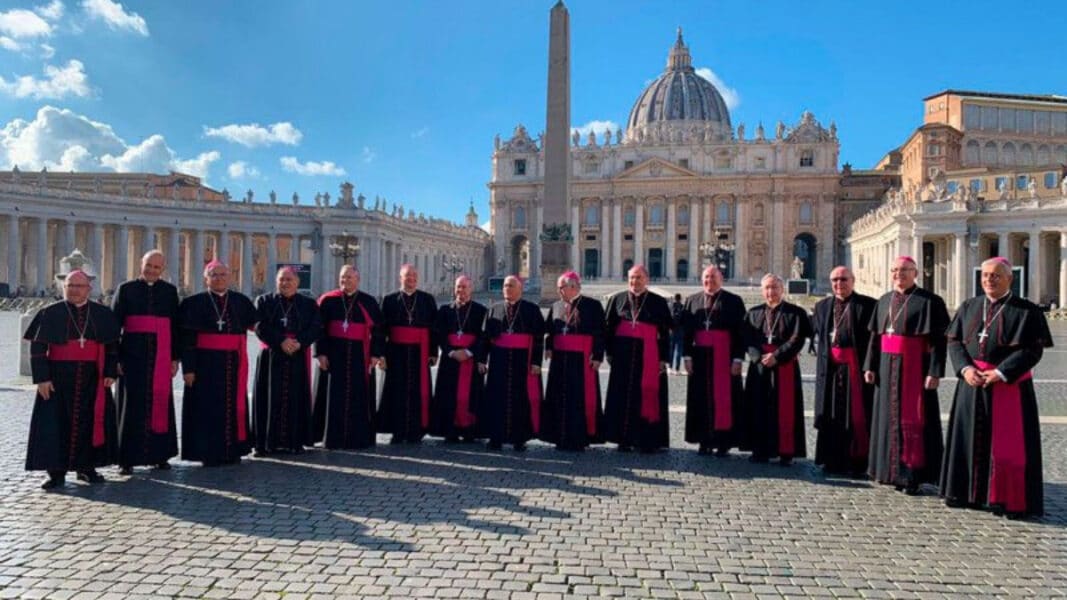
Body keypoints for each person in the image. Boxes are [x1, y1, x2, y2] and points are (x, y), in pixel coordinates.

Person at [941, 258, 1052, 518]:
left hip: (1009, 386)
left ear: (1009, 279)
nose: (989, 280)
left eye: (996, 275)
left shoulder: (1027, 311)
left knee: (1008, 445)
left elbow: (1033, 350)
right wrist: (965, 369)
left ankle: (1004, 498)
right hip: (971, 383)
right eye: (985, 275)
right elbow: (955, 342)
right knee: (968, 439)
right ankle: (967, 493)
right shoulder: (969, 306)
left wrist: (1001, 372)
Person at [23, 270, 119, 489]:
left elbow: (112, 347)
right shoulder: (50, 313)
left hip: (92, 378)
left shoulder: (102, 313)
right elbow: (38, 348)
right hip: (58, 379)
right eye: (70, 286)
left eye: (79, 286)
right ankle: (56, 473)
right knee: (55, 425)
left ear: (89, 289)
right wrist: (42, 379)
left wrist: (110, 372)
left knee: (90, 422)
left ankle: (87, 468)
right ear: (64, 287)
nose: (74, 290)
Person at [863, 256, 949, 494]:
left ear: (915, 273)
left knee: (915, 420)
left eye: (904, 270)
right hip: (885, 367)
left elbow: (938, 341)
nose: (898, 274)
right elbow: (874, 338)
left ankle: (912, 475)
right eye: (894, 270)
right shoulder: (884, 300)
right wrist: (869, 366)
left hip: (915, 368)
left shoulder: (930, 302)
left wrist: (935, 371)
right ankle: (887, 472)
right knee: (885, 419)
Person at [178, 261, 257, 466]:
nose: (219, 278)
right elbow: (186, 339)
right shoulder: (192, 303)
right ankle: (208, 453)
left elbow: (258, 325)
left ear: (229, 277)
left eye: (222, 274)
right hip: (204, 364)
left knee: (233, 405)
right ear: (206, 278)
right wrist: (188, 369)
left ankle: (233, 450)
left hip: (233, 363)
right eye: (214, 275)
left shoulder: (241, 301)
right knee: (206, 408)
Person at [112, 250, 180, 475]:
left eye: (156, 267)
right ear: (141, 264)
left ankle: (159, 455)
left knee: (159, 403)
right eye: (148, 265)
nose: (151, 270)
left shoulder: (169, 291)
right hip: (132, 357)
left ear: (163, 269)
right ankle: (127, 458)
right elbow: (114, 326)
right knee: (130, 406)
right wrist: (116, 358)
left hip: (161, 356)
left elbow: (175, 327)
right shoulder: (125, 289)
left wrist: (175, 358)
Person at [811, 266, 877, 476]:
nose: (839, 284)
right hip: (829, 369)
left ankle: (857, 460)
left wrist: (870, 365)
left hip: (855, 368)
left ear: (853, 280)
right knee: (830, 414)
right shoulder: (822, 306)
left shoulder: (868, 305)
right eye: (835, 280)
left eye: (843, 279)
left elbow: (874, 340)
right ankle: (831, 459)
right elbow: (809, 331)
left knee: (857, 414)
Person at [252, 267, 323, 455]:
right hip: (271, 355)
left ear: (297, 282)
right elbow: (259, 326)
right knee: (268, 398)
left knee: (295, 398)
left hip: (297, 354)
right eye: (281, 279)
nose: (285, 283)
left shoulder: (308, 304)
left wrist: (299, 342)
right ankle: (266, 443)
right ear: (276, 281)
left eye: (289, 279)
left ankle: (294, 442)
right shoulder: (264, 301)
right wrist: (280, 341)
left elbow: (316, 327)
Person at [742, 274, 812, 465]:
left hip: (785, 364)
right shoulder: (753, 313)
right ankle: (760, 450)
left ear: (782, 289)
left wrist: (777, 356)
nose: (770, 291)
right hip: (760, 367)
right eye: (767, 288)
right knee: (758, 408)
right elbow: (747, 338)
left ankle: (785, 451)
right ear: (761, 290)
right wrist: (759, 357)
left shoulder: (796, 313)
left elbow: (797, 339)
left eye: (774, 287)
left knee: (785, 409)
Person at [314, 265, 383, 450]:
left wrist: (375, 354)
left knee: (359, 397)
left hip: (360, 355)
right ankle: (332, 438)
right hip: (334, 355)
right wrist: (321, 353)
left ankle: (358, 439)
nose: (345, 281)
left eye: (349, 277)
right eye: (342, 277)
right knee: (333, 397)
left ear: (357, 279)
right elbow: (319, 328)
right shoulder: (327, 300)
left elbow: (378, 330)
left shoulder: (368, 301)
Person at [603, 265, 671, 452]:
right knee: (622, 397)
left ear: (647, 279)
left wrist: (663, 358)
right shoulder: (617, 299)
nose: (635, 281)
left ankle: (647, 440)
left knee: (647, 395)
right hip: (623, 358)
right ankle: (623, 438)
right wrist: (609, 353)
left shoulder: (658, 302)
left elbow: (665, 333)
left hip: (649, 357)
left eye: (639, 277)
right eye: (632, 278)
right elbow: (608, 328)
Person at [682, 265, 746, 456]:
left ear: (721, 279)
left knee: (726, 399)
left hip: (725, 357)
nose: (709, 281)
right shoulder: (692, 300)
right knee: (700, 399)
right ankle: (704, 440)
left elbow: (740, 333)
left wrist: (738, 358)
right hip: (700, 358)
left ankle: (724, 441)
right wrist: (687, 356)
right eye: (706, 277)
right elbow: (686, 333)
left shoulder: (734, 301)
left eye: (713, 277)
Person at [541, 271, 605, 451]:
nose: (558, 291)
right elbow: (550, 330)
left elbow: (600, 332)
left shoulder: (593, 305)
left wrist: (598, 355)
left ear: (573, 287)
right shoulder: (556, 306)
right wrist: (548, 347)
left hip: (582, 361)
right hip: (560, 361)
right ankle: (559, 437)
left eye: (561, 287)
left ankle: (579, 438)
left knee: (579, 399)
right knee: (558, 398)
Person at [482, 275, 545, 451]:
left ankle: (520, 438)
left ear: (520, 289)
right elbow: (485, 338)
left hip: (522, 363)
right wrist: (481, 359)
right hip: (499, 363)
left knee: (521, 400)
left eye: (510, 286)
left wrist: (536, 362)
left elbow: (539, 338)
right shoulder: (494, 309)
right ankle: (495, 438)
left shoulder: (531, 309)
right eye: (505, 286)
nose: (506, 289)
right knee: (496, 400)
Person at [379, 264, 438, 444]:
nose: (411, 279)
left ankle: (416, 430)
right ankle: (397, 430)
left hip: (420, 352)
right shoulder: (389, 299)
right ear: (400, 278)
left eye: (414, 276)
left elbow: (434, 328)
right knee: (396, 391)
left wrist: (433, 352)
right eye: (407, 276)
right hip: (396, 353)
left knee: (418, 391)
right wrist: (381, 355)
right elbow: (381, 330)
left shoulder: (427, 299)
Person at [430, 274, 488, 442]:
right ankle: (451, 431)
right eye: (458, 287)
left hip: (471, 359)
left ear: (471, 289)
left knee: (470, 396)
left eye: (464, 287)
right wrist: (451, 352)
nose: (461, 290)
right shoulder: (445, 310)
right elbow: (439, 335)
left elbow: (483, 336)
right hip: (450, 360)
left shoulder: (481, 310)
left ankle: (470, 431)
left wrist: (469, 352)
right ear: (454, 289)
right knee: (449, 396)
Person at [669, 293, 685, 374]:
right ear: (680, 299)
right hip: (680, 330)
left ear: (674, 298)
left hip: (672, 330)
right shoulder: (683, 307)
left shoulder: (670, 307)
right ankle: (677, 369)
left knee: (671, 350)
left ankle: (670, 367)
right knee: (679, 350)